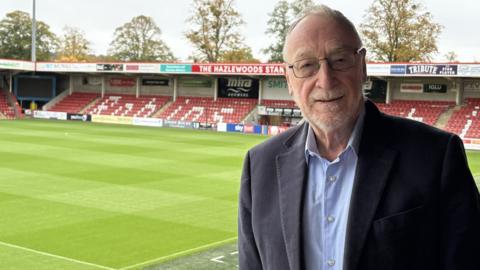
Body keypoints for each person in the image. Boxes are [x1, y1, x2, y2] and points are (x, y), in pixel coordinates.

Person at [238, 4, 480, 270]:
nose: (326, 80)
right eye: (307, 66)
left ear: (362, 66)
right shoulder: (259, 165)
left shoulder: (436, 157)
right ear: (289, 80)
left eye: (339, 60)